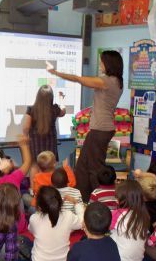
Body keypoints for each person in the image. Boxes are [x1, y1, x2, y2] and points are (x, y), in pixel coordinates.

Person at [47, 51, 123, 202]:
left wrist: (55, 72)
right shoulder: (116, 81)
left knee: (94, 168)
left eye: (101, 61)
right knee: (82, 166)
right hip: (102, 129)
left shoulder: (107, 81)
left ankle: (101, 201)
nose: (100, 64)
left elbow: (78, 79)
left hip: (100, 130)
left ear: (108, 63)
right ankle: (83, 199)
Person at [29, 186, 84, 261]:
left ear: (39, 206)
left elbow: (31, 230)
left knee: (25, 241)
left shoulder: (34, 218)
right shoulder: (68, 216)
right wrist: (76, 203)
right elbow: (83, 222)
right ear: (60, 202)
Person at [22, 85, 66, 180]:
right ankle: (49, 186)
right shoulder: (54, 109)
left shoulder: (31, 109)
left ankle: (33, 189)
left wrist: (25, 138)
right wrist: (62, 99)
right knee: (50, 165)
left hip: (35, 143)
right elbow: (63, 112)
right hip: (50, 143)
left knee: (34, 165)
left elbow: (26, 127)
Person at [110, 180, 150, 261]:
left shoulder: (118, 213)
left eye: (117, 198)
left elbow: (104, 227)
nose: (116, 200)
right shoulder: (144, 214)